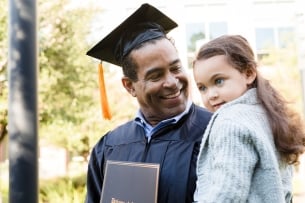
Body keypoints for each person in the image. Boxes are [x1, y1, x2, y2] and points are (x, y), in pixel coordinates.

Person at [85, 3, 212, 203]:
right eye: (155, 76)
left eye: (175, 67)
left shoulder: (216, 131)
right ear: (130, 86)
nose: (171, 82)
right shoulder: (109, 146)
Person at [192, 34, 305, 203]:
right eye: (202, 88)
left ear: (249, 73)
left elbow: (227, 193)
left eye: (219, 81)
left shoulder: (230, 122)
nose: (211, 95)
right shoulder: (268, 115)